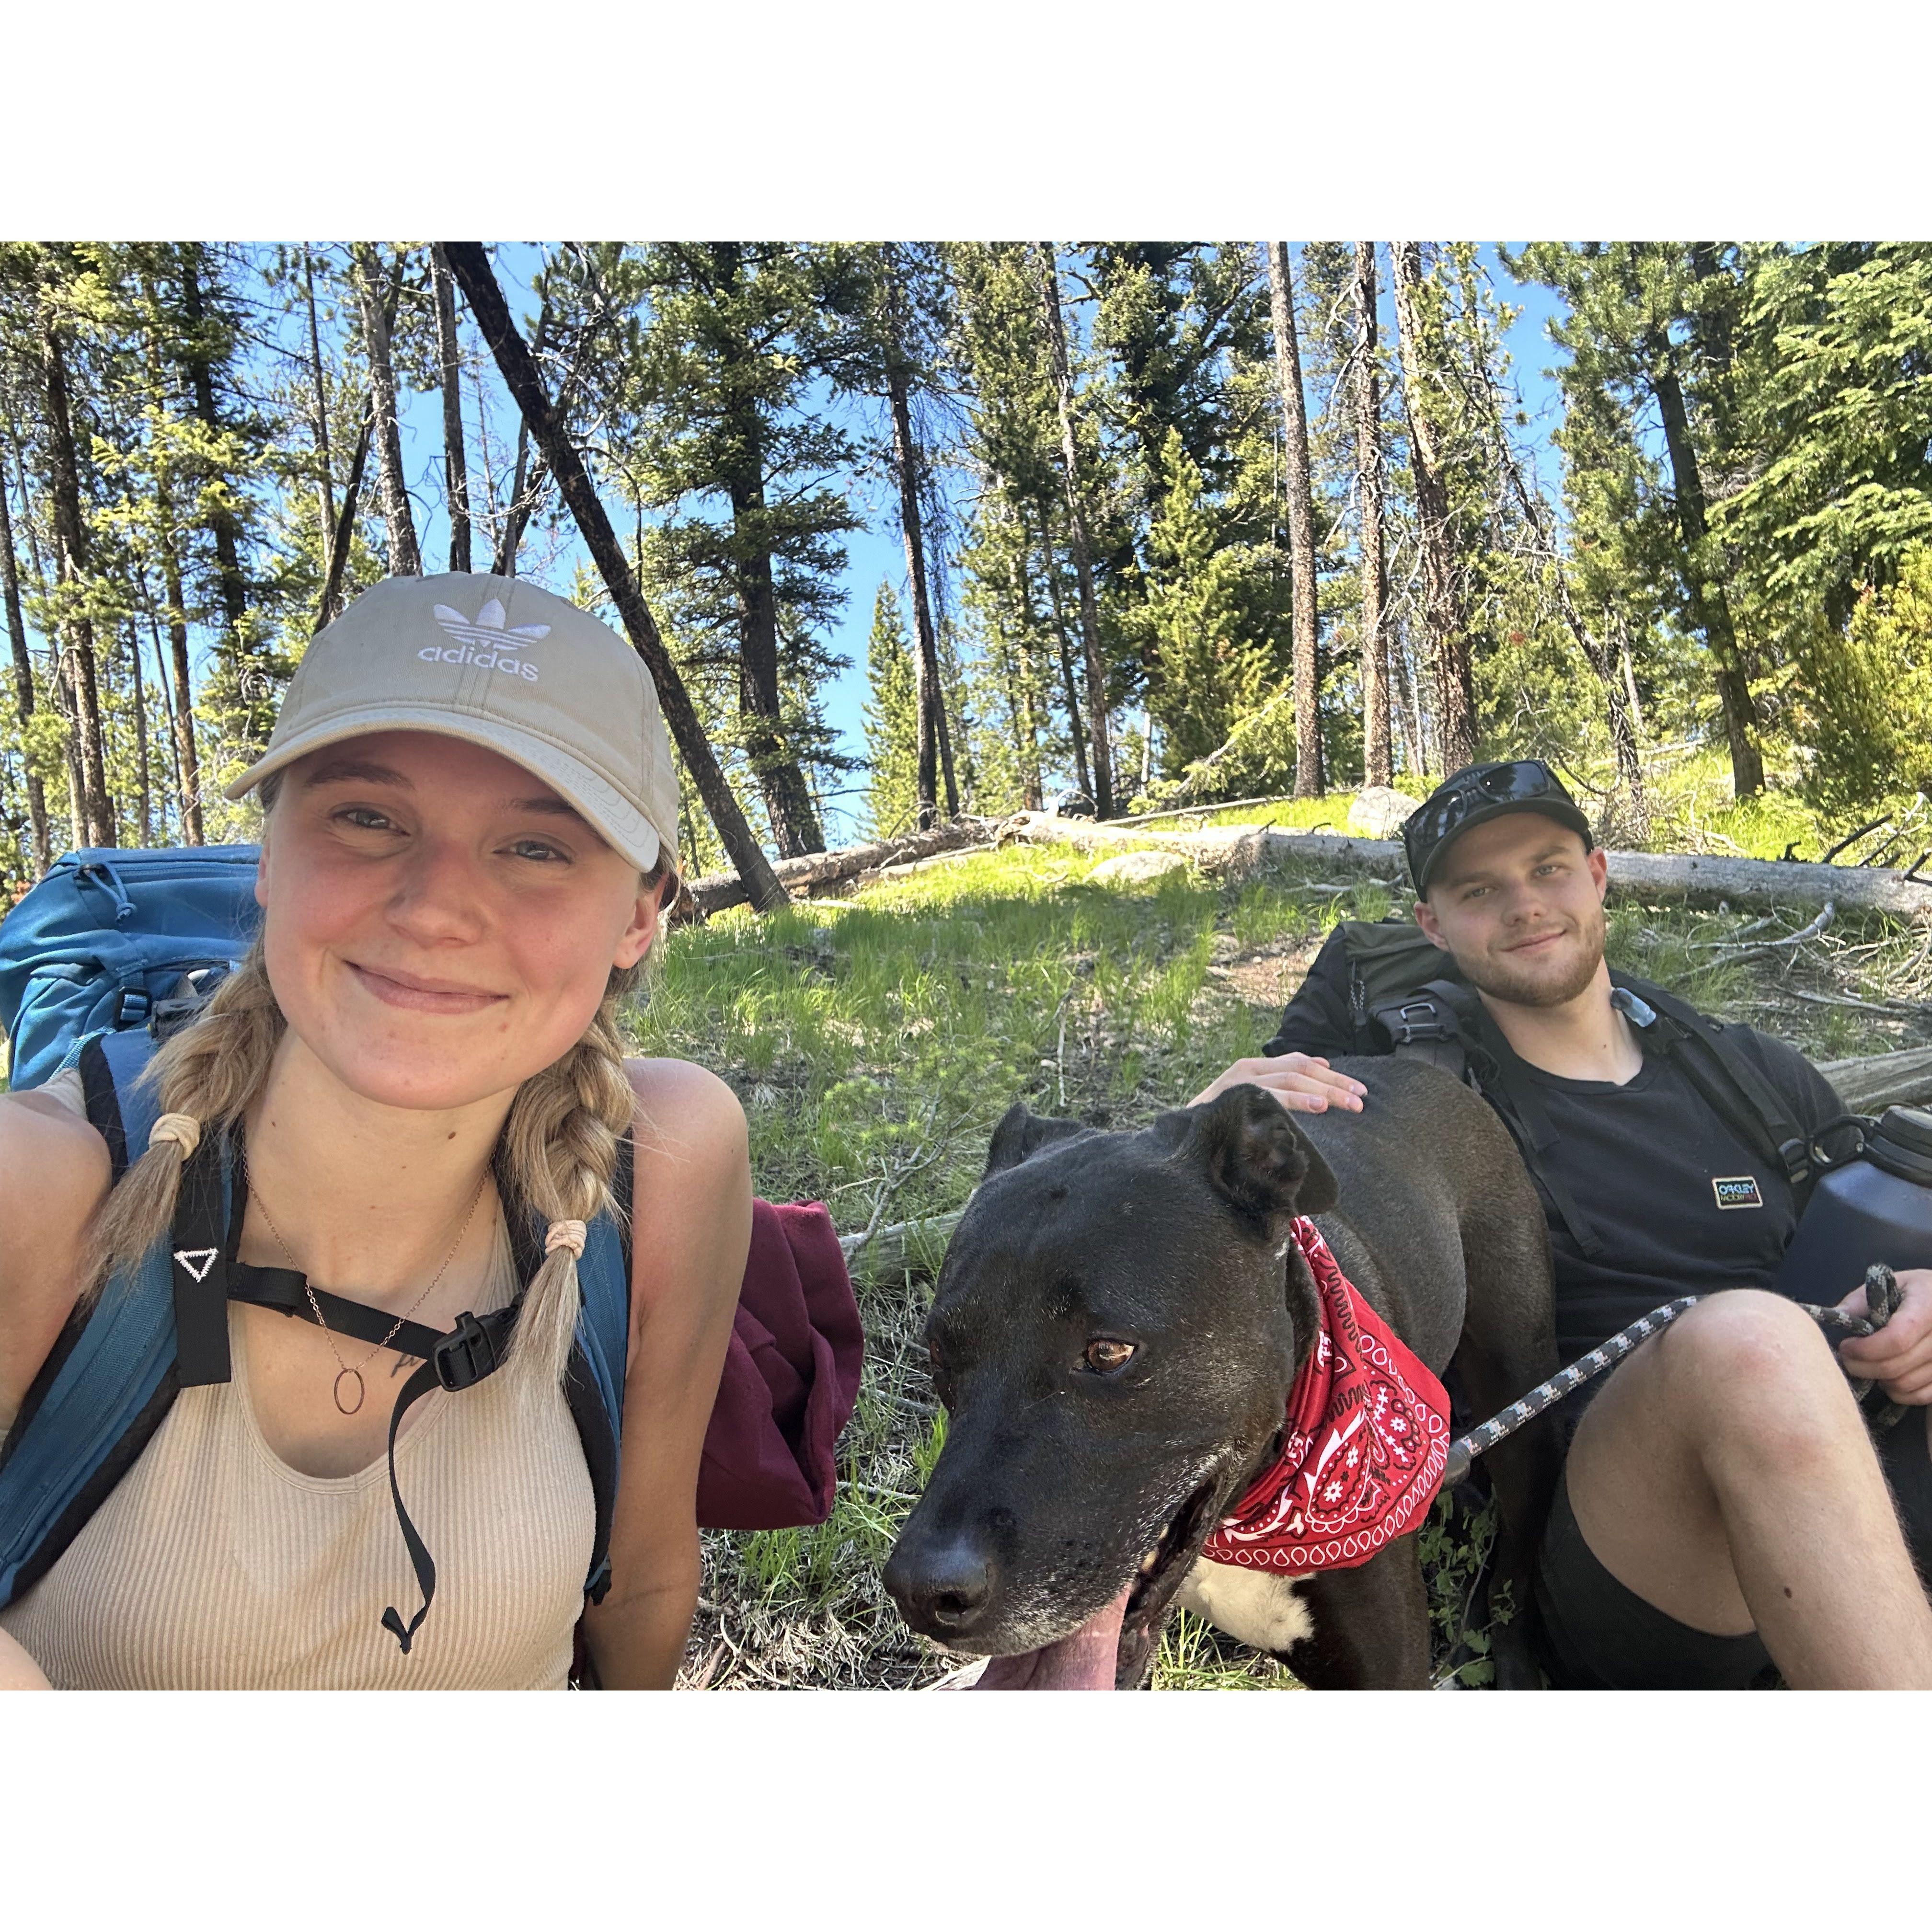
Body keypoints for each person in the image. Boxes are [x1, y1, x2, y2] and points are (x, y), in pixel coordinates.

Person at [0, 574, 754, 1689]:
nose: (436, 907)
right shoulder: (45, 1182)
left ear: (639, 915)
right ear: (271, 857)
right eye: (367, 818)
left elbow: (641, 1578)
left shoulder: (667, 1162)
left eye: (538, 847)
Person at [1193, 758, 1932, 1689]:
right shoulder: (1400, 1108)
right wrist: (1202, 1125)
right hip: (1616, 1530)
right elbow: (1252, 1243)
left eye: (1547, 868)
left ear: (1599, 875)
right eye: (1478, 889)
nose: (1524, 904)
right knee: (1749, 1342)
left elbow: (1872, 1235)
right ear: (1433, 924)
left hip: (1852, 1463)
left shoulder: (1753, 1076)